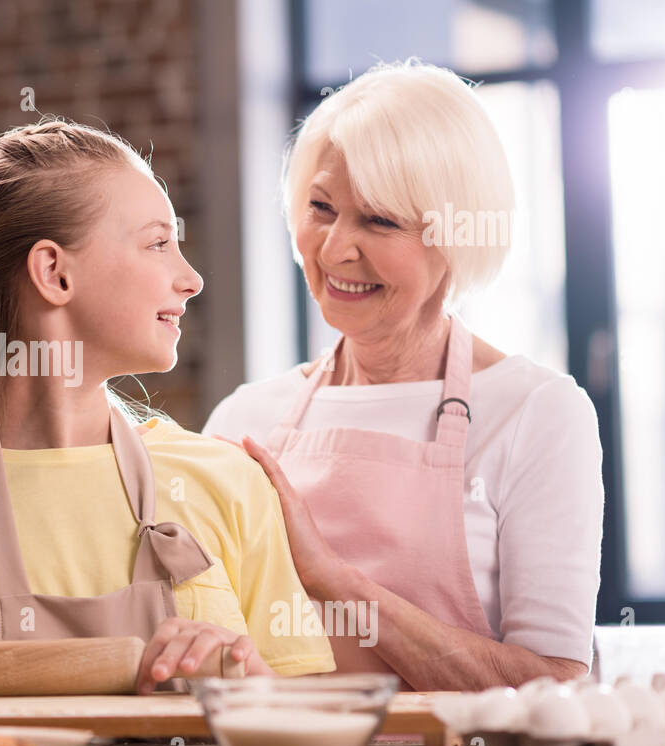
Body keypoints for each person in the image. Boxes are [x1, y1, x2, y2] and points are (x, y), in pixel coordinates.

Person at [0, 121, 335, 692]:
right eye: (158, 244)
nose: (192, 279)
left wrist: (252, 681)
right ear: (55, 273)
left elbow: (312, 735)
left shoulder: (228, 482)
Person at [204, 60, 603, 690]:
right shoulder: (244, 419)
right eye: (321, 207)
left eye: (379, 220)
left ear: (456, 237)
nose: (335, 249)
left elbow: (552, 688)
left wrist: (333, 580)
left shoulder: (536, 413)